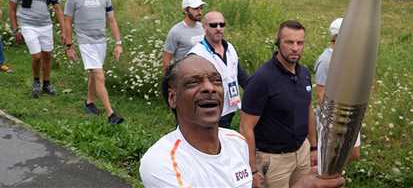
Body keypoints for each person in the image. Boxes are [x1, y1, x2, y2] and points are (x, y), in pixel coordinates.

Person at [140, 55, 345, 188]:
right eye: (193, 82)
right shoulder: (162, 163)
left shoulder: (236, 141)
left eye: (216, 80)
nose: (209, 88)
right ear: (172, 98)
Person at [240, 20, 317, 188]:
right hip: (274, 161)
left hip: (302, 154)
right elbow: (246, 127)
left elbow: (308, 109)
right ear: (278, 43)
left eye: (300, 43)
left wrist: (313, 147)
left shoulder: (303, 73)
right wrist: (252, 170)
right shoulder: (262, 79)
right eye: (289, 42)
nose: (295, 48)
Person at [63, 0, 124, 125]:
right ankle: (111, 115)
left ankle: (89, 102)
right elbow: (67, 22)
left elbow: (111, 20)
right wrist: (69, 45)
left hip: (100, 41)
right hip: (85, 42)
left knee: (93, 74)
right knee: (99, 75)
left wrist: (118, 43)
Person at [8, 0, 64, 97]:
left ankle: (46, 83)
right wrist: (16, 29)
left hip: (45, 25)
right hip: (28, 25)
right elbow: (12, 9)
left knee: (47, 56)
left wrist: (64, 30)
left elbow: (57, 8)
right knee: (36, 56)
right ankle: (36, 81)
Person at [188, 11, 248, 128]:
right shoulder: (197, 54)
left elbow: (239, 75)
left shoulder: (229, 47)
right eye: (213, 25)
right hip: (211, 109)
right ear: (204, 27)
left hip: (230, 107)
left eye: (222, 25)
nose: (218, 28)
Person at [314, 18, 360, 162]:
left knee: (354, 153)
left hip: (349, 114)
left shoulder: (347, 57)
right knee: (330, 157)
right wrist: (334, 120)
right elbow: (321, 94)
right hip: (334, 118)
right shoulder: (326, 61)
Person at [162, 0, 205, 74]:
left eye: (201, 8)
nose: (199, 12)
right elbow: (166, 60)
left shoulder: (203, 27)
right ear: (185, 10)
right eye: (195, 9)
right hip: (184, 76)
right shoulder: (176, 31)